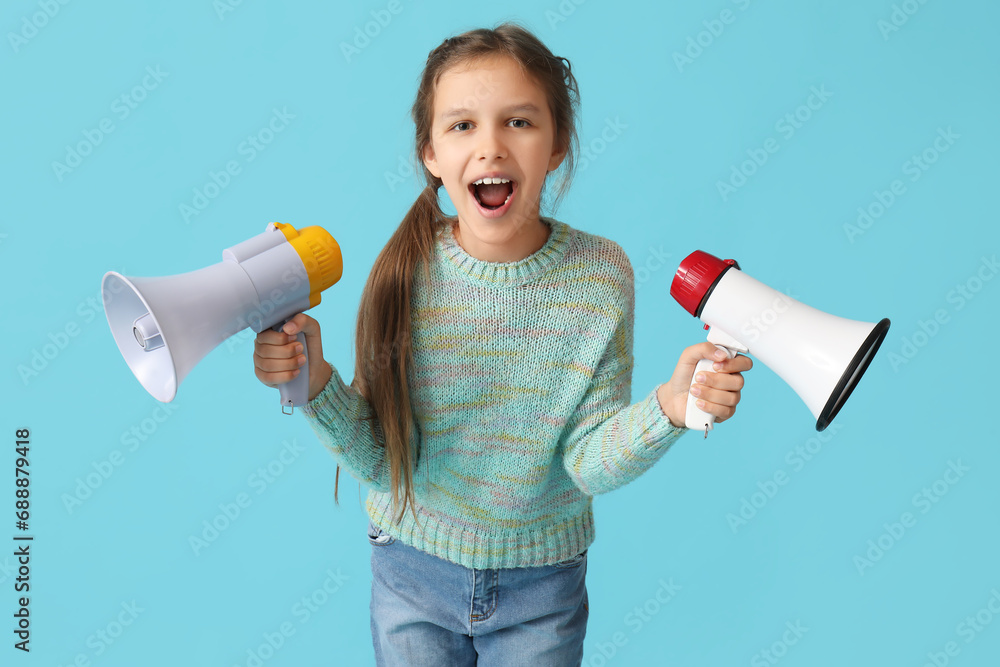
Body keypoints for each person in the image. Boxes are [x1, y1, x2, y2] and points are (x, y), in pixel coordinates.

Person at [253, 22, 752, 666]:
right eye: (462, 126)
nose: (490, 147)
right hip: (410, 575)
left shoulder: (601, 275)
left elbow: (586, 462)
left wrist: (670, 410)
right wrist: (313, 378)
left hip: (541, 591)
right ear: (430, 153)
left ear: (557, 144)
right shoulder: (405, 271)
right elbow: (380, 458)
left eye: (518, 122)